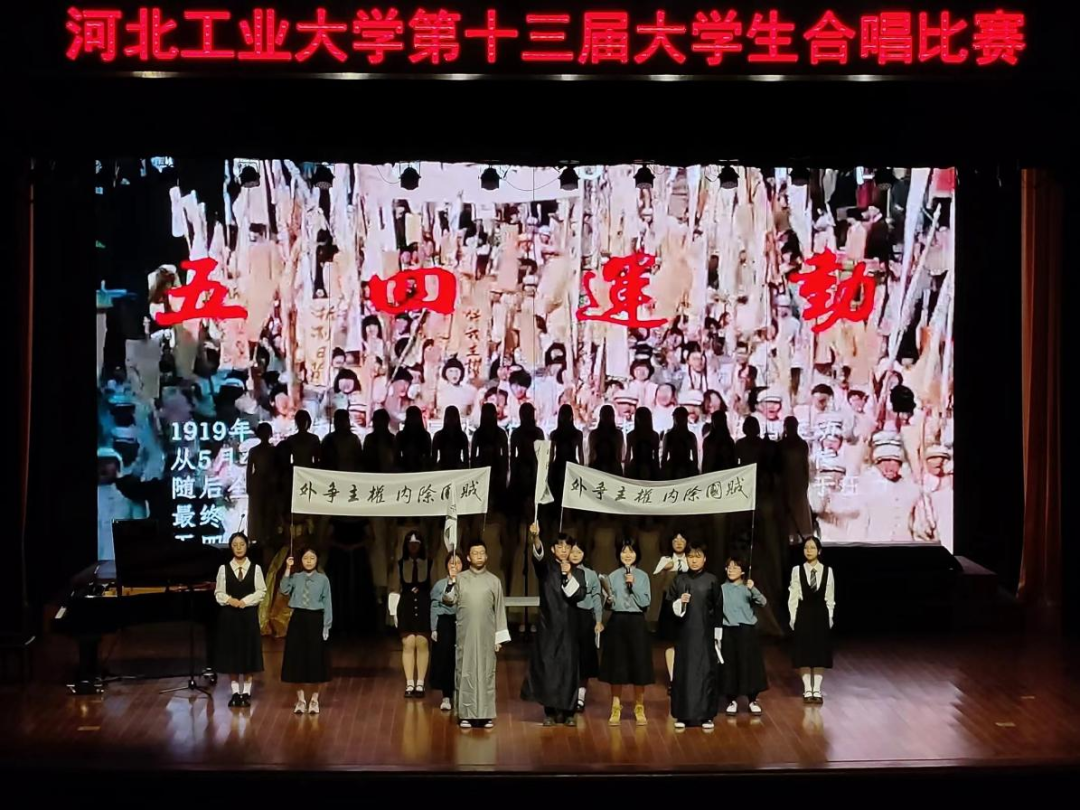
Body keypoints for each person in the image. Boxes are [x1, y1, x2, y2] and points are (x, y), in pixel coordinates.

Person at [521, 523, 586, 726]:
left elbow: (579, 595)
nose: (563, 550)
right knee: (548, 667)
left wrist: (568, 574)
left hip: (569, 627)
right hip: (548, 625)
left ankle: (568, 712)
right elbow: (538, 558)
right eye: (559, 546)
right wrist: (536, 538)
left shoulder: (579, 572)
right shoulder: (546, 569)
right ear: (553, 549)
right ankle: (549, 711)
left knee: (568, 668)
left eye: (567, 547)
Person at [442, 538, 511, 729]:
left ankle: (486, 714)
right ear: (468, 557)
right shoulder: (461, 578)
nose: (479, 556)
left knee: (486, 672)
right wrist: (452, 580)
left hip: (487, 635)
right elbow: (448, 599)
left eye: (482, 553)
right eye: (475, 553)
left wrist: (499, 637)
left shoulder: (494, 581)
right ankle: (466, 714)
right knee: (465, 672)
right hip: (465, 635)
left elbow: (499, 610)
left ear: (487, 556)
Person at [669, 540, 724, 729]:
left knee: (706, 673)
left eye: (697, 557)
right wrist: (680, 603)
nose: (693, 560)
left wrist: (718, 635)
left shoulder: (712, 580)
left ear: (705, 559)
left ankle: (706, 715)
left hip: (705, 635)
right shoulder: (679, 580)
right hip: (685, 635)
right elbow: (669, 607)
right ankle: (682, 715)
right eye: (690, 556)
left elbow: (718, 608)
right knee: (684, 673)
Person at [600, 538, 654, 726]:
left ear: (637, 554)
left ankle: (639, 706)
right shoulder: (613, 576)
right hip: (618, 621)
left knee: (639, 665)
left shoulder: (643, 576)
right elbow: (608, 604)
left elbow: (645, 602)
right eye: (624, 551)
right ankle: (616, 706)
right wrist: (608, 600)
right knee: (617, 666)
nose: (627, 555)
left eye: (631, 551)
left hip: (637, 622)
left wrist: (633, 585)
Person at [215, 532, 266, 708]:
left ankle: (247, 692)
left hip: (248, 616)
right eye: (235, 545)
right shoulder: (223, 569)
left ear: (247, 546)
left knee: (249, 653)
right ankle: (235, 692)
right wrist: (230, 600)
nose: (238, 548)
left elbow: (261, 591)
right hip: (229, 616)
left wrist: (245, 601)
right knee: (232, 654)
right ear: (230, 547)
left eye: (242, 544)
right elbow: (218, 592)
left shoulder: (255, 569)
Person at [280, 547, 333, 714]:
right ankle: (301, 700)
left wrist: (326, 626)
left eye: (312, 558)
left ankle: (315, 700)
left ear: (317, 560)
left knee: (316, 660)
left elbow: (327, 603)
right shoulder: (296, 577)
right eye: (305, 558)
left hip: (315, 620)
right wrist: (287, 568)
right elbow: (284, 589)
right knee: (297, 661)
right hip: (298, 620)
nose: (309, 561)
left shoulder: (323, 580)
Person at [788, 537, 835, 704]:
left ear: (819, 551)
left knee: (819, 653)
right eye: (806, 548)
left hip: (821, 614)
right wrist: (793, 617)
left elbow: (830, 596)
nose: (809, 551)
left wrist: (830, 617)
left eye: (812, 548)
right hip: (804, 613)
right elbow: (793, 595)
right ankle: (808, 689)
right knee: (805, 653)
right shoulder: (797, 570)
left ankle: (817, 689)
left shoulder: (827, 571)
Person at [720, 556, 768, 715]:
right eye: (729, 567)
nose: (731, 570)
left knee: (749, 665)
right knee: (730, 665)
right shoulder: (721, 588)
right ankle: (731, 700)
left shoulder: (748, 587)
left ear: (742, 571)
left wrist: (753, 589)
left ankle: (752, 700)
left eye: (735, 567)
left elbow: (763, 602)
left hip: (746, 631)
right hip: (728, 630)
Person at [391, 532, 432, 698]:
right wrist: (394, 612)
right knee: (408, 644)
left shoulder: (430, 563)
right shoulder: (400, 564)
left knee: (422, 643)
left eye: (417, 543)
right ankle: (409, 683)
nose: (413, 546)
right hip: (406, 607)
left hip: (424, 606)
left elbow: (435, 588)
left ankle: (420, 683)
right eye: (410, 543)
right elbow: (394, 589)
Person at [569, 538, 603, 713]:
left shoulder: (590, 574)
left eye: (579, 552)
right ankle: (567, 694)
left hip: (584, 618)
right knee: (569, 657)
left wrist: (598, 621)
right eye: (573, 551)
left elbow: (596, 597)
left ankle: (581, 697)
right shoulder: (563, 571)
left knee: (584, 659)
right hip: (568, 617)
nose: (575, 555)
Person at [654, 530, 690, 689]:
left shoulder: (692, 559)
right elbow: (656, 584)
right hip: (670, 604)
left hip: (690, 604)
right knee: (671, 642)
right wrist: (664, 570)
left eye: (682, 539)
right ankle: (673, 679)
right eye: (675, 539)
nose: (679, 542)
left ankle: (688, 678)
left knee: (688, 641)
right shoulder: (665, 560)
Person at [430, 553, 463, 712]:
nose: (454, 566)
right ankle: (446, 696)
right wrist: (434, 628)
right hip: (445, 623)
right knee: (446, 659)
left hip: (463, 622)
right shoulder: (440, 585)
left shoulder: (467, 583)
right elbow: (435, 606)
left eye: (458, 563)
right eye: (451, 563)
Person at [777, 416, 813, 543]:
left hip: (798, 482)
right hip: (785, 483)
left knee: (799, 511)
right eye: (789, 426)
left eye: (793, 426)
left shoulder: (802, 444)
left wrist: (805, 482)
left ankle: (800, 540)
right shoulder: (780, 445)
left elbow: (805, 465)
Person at [245, 423, 281, 552]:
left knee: (270, 511)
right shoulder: (254, 450)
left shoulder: (274, 450)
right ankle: (258, 538)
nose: (265, 434)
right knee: (257, 512)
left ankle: (269, 537)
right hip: (257, 483)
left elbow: (278, 468)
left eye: (267, 432)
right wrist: (249, 485)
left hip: (271, 484)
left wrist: (276, 481)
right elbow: (249, 469)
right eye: (263, 432)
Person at [548, 404, 584, 508]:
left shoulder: (577, 434)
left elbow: (580, 454)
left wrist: (581, 470)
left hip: (568, 465)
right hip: (561, 465)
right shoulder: (555, 434)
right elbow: (551, 454)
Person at [661, 406, 699, 479]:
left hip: (686, 468)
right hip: (673, 469)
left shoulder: (690, 436)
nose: (679, 419)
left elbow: (695, 458)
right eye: (678, 417)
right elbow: (664, 457)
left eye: (681, 417)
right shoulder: (669, 436)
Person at [624, 407, 660, 480]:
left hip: (648, 466)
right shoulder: (631, 435)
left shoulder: (654, 435)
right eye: (640, 417)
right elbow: (628, 454)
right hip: (637, 466)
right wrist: (626, 469)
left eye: (644, 417)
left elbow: (656, 456)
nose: (642, 419)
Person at [588, 404, 624, 477]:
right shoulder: (594, 434)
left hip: (611, 467)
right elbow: (591, 455)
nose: (607, 418)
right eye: (605, 415)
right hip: (601, 467)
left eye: (608, 415)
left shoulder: (617, 434)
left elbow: (619, 455)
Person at [395, 406, 432, 472]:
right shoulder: (400, 436)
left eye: (415, 416)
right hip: (405, 468)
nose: (413, 419)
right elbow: (396, 456)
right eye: (411, 416)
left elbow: (428, 457)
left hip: (420, 468)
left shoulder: (426, 436)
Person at [432, 405, 469, 470]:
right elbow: (433, 460)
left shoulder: (462, 436)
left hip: (456, 468)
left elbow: (466, 460)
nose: (451, 418)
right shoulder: (438, 436)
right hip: (444, 468)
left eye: (453, 416)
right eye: (449, 416)